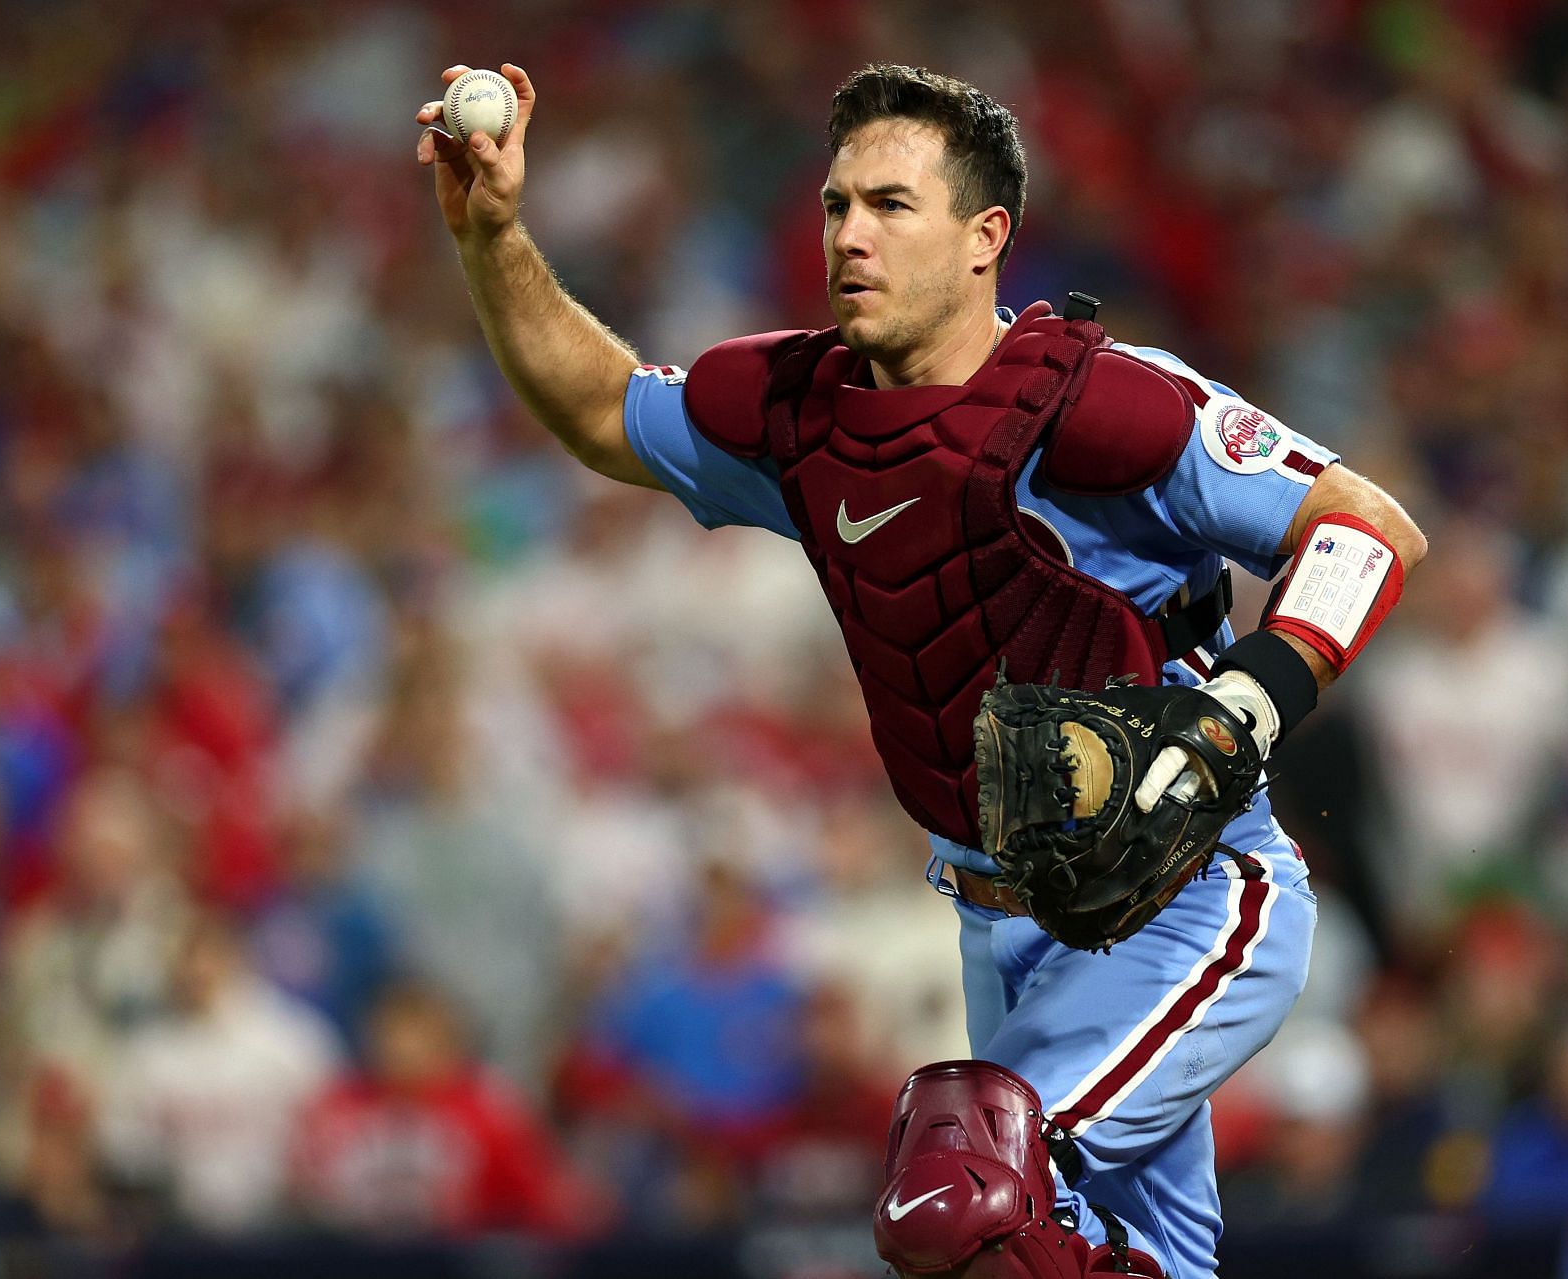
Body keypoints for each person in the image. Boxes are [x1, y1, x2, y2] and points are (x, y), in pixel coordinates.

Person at [417, 61, 1426, 1279]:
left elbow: (1368, 527)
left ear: (985, 236)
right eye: (839, 204)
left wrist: (1245, 700)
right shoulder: (806, 418)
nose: (850, 233)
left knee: (962, 1191)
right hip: (996, 917)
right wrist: (494, 234)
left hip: (1186, 895)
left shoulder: (1100, 404)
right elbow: (598, 411)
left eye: (892, 205)